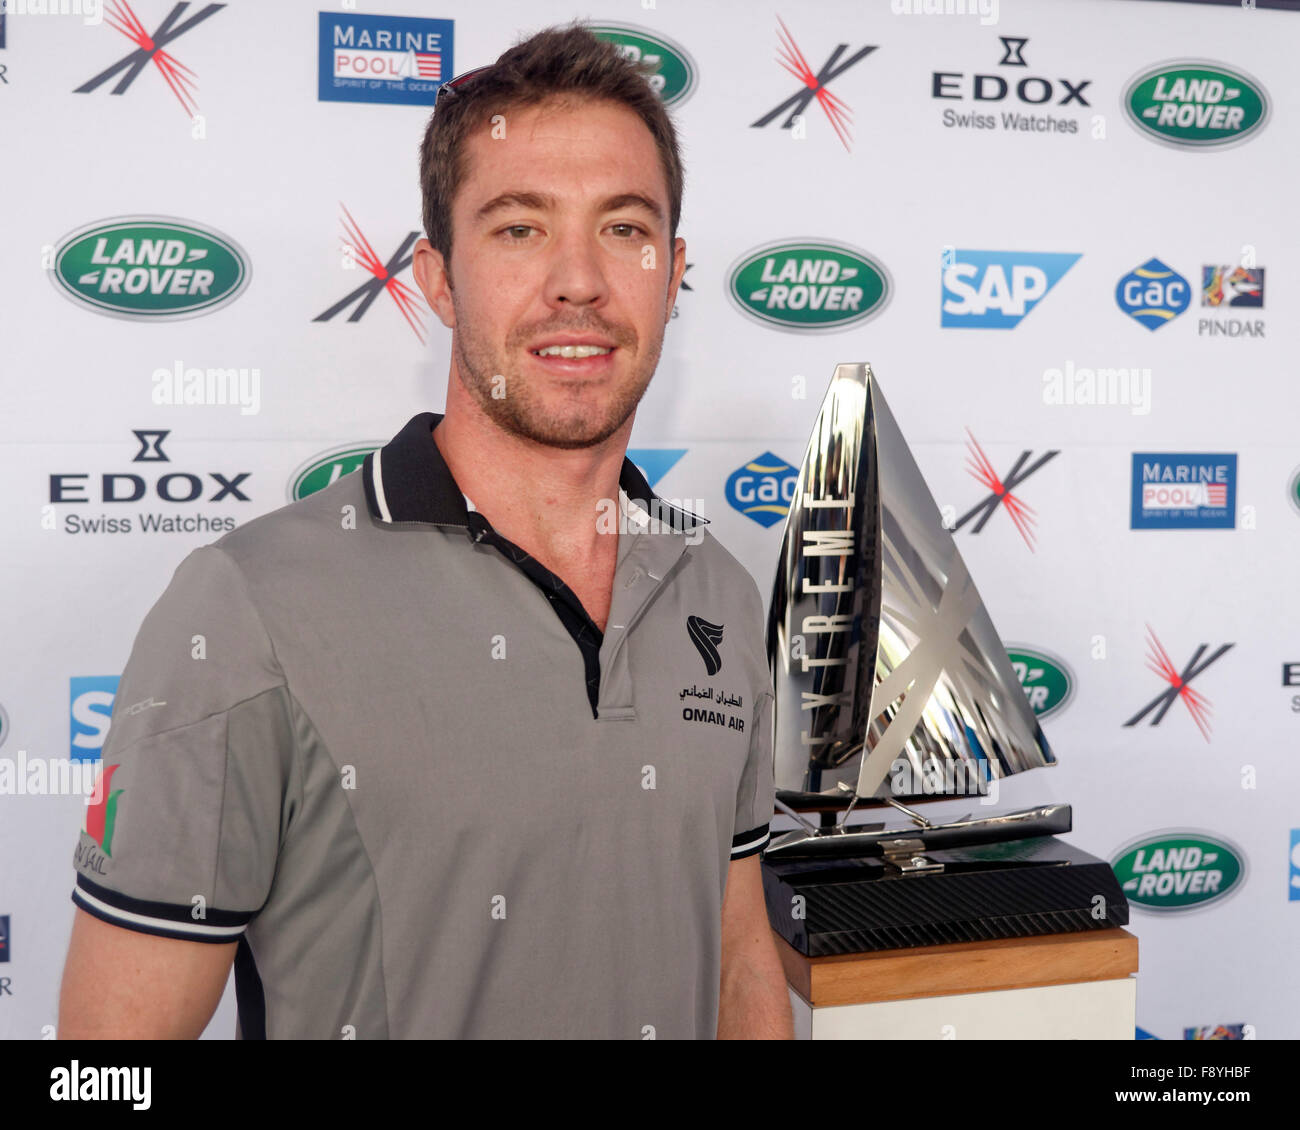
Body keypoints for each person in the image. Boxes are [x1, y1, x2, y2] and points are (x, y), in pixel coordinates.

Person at [57, 23, 792, 1040]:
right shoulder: (247, 605)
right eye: (519, 227)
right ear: (437, 279)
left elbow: (740, 961)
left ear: (673, 273)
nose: (578, 279)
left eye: (624, 227)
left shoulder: (716, 587)